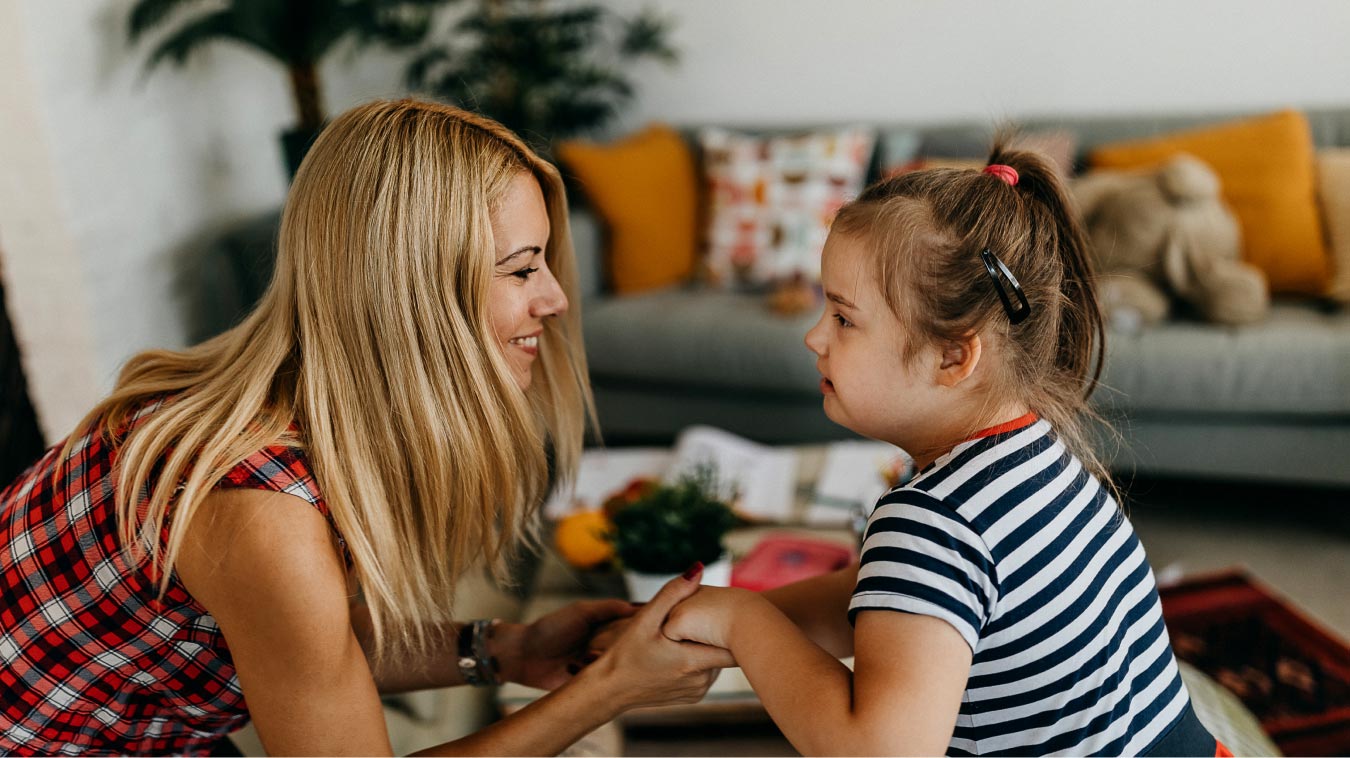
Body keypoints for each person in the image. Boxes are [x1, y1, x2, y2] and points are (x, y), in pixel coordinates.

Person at [0, 98, 730, 756]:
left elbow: (305, 640)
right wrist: (608, 691)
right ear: (412, 297)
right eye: (520, 269)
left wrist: (505, 646)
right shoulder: (258, 510)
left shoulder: (306, 416)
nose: (555, 298)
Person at [653, 145, 1230, 756]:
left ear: (954, 355)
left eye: (845, 319)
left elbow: (878, 750)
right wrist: (729, 616)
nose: (814, 336)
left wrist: (744, 624)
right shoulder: (1038, 450)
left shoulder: (932, 521)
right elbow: (886, 597)